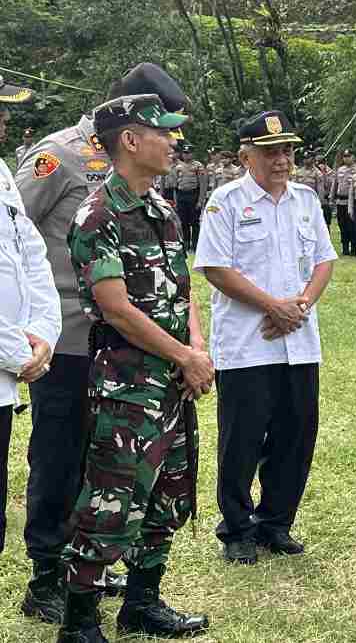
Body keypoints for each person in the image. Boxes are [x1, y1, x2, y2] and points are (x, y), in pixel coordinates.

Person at [14, 63, 188, 623]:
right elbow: (11, 230)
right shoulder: (56, 155)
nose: (171, 138)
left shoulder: (140, 175)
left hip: (126, 347)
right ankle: (46, 576)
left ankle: (89, 563)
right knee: (59, 457)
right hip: (65, 337)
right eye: (160, 122)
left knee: (111, 466)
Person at [61, 92, 215, 642]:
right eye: (164, 132)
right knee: (111, 499)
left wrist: (195, 346)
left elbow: (183, 289)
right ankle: (79, 623)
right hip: (129, 385)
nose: (174, 141)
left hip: (173, 381)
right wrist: (185, 356)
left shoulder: (163, 208)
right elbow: (117, 308)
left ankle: (142, 602)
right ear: (130, 140)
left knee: (167, 493)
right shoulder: (98, 215)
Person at [194, 111, 336, 568]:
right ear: (245, 156)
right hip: (247, 343)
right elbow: (216, 267)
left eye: (287, 150)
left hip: (299, 339)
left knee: (296, 435)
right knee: (243, 440)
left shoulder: (306, 200)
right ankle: (237, 528)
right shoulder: (226, 201)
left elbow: (323, 261)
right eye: (271, 151)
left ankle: (276, 523)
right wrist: (271, 306)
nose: (281, 160)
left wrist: (301, 305)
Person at [0, 78, 60, 562]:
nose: (4, 120)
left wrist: (45, 333)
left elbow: (31, 255)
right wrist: (22, 352)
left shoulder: (2, 172)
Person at [169, 143, 207, 253]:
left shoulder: (198, 166)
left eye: (188, 153)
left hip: (193, 195)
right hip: (181, 195)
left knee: (194, 222)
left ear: (192, 154)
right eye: (184, 153)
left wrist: (200, 200)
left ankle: (195, 245)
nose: (186, 156)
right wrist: (176, 200)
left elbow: (203, 184)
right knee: (183, 222)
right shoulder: (178, 167)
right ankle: (185, 244)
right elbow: (175, 185)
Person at [334, 150, 356, 257]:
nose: (346, 158)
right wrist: (332, 196)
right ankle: (345, 248)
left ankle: (353, 248)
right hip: (340, 201)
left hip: (351, 201)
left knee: (352, 226)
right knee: (342, 225)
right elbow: (335, 184)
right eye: (345, 156)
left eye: (349, 156)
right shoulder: (340, 169)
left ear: (353, 157)